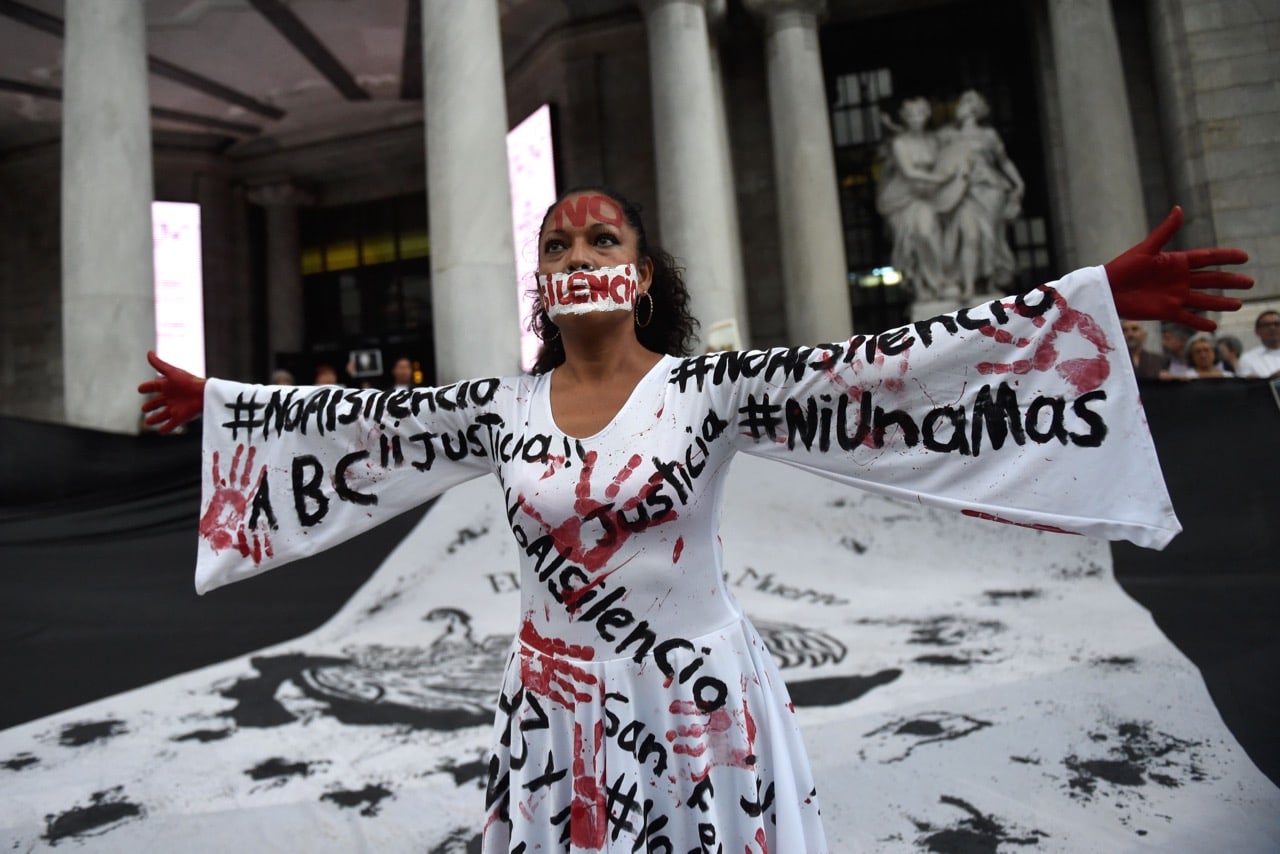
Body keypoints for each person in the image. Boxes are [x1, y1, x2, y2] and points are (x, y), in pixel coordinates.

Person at [139, 191, 1249, 852]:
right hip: (554, 706)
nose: (577, 256)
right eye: (556, 246)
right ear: (541, 284)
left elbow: (888, 368)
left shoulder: (710, 390)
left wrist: (1086, 301)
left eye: (598, 238)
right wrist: (226, 410)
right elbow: (362, 424)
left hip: (696, 700)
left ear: (641, 272)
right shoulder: (496, 406)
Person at [936, 90, 1026, 297]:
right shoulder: (948, 135)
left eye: (967, 102)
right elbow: (939, 164)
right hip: (963, 193)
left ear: (975, 108)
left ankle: (991, 282)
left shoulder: (988, 135)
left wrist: (1018, 182)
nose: (961, 106)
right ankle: (967, 286)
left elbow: (1003, 161)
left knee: (990, 238)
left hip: (989, 190)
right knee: (969, 236)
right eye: (961, 102)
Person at [875, 98, 960, 299]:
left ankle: (939, 281)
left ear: (927, 115)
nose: (916, 119)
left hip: (926, 195)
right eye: (911, 115)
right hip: (902, 197)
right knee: (920, 235)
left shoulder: (932, 140)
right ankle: (932, 284)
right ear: (904, 118)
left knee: (931, 233)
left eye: (920, 113)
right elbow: (909, 172)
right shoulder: (900, 143)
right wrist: (939, 179)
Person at [1236, 310, 1280, 379]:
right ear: (1257, 331)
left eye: (1277, 324)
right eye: (1266, 325)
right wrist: (1271, 379)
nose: (1272, 328)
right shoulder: (1247, 359)